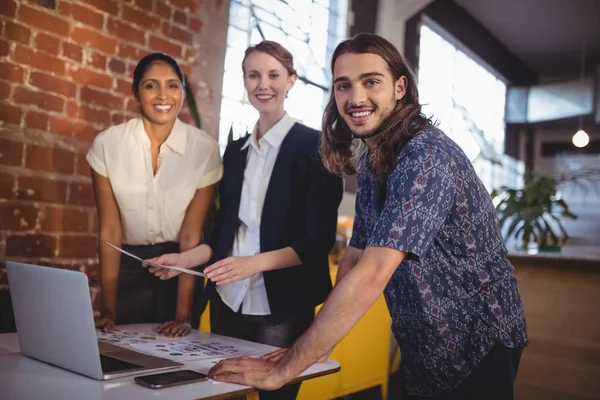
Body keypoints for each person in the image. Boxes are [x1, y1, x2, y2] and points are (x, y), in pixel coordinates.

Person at [205, 33, 529, 399]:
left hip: (478, 340)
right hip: (422, 343)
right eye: (344, 86)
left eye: (371, 82)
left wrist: (285, 368)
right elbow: (356, 255)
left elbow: (375, 271)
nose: (356, 98)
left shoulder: (426, 154)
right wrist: (314, 349)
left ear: (400, 87)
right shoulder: (372, 160)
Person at [147, 41, 343, 399]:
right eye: (253, 75)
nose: (262, 84)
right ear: (244, 81)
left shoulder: (317, 148)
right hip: (228, 301)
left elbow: (317, 242)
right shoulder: (235, 152)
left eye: (273, 75)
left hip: (281, 306)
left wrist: (253, 264)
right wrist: (183, 260)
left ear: (291, 81)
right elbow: (224, 232)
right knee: (223, 394)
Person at [87, 53, 223, 338]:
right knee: (120, 350)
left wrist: (183, 315)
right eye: (151, 86)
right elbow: (110, 229)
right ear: (136, 92)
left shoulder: (204, 149)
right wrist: (107, 310)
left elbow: (191, 235)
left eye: (173, 85)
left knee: (175, 362)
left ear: (183, 93)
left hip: (180, 266)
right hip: (127, 265)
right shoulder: (107, 144)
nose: (163, 95)